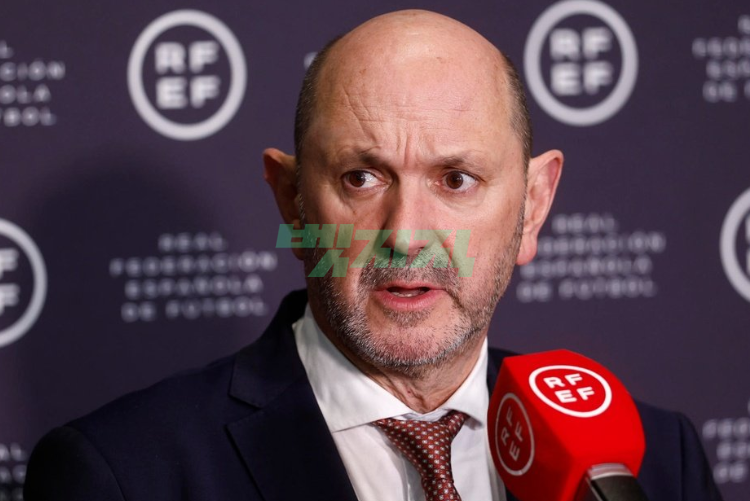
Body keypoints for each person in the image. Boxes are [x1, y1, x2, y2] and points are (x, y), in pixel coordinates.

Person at [24, 9, 721, 501]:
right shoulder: (122, 474)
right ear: (293, 200)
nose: (407, 235)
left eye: (456, 180)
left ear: (533, 205)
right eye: (362, 177)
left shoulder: (658, 463)